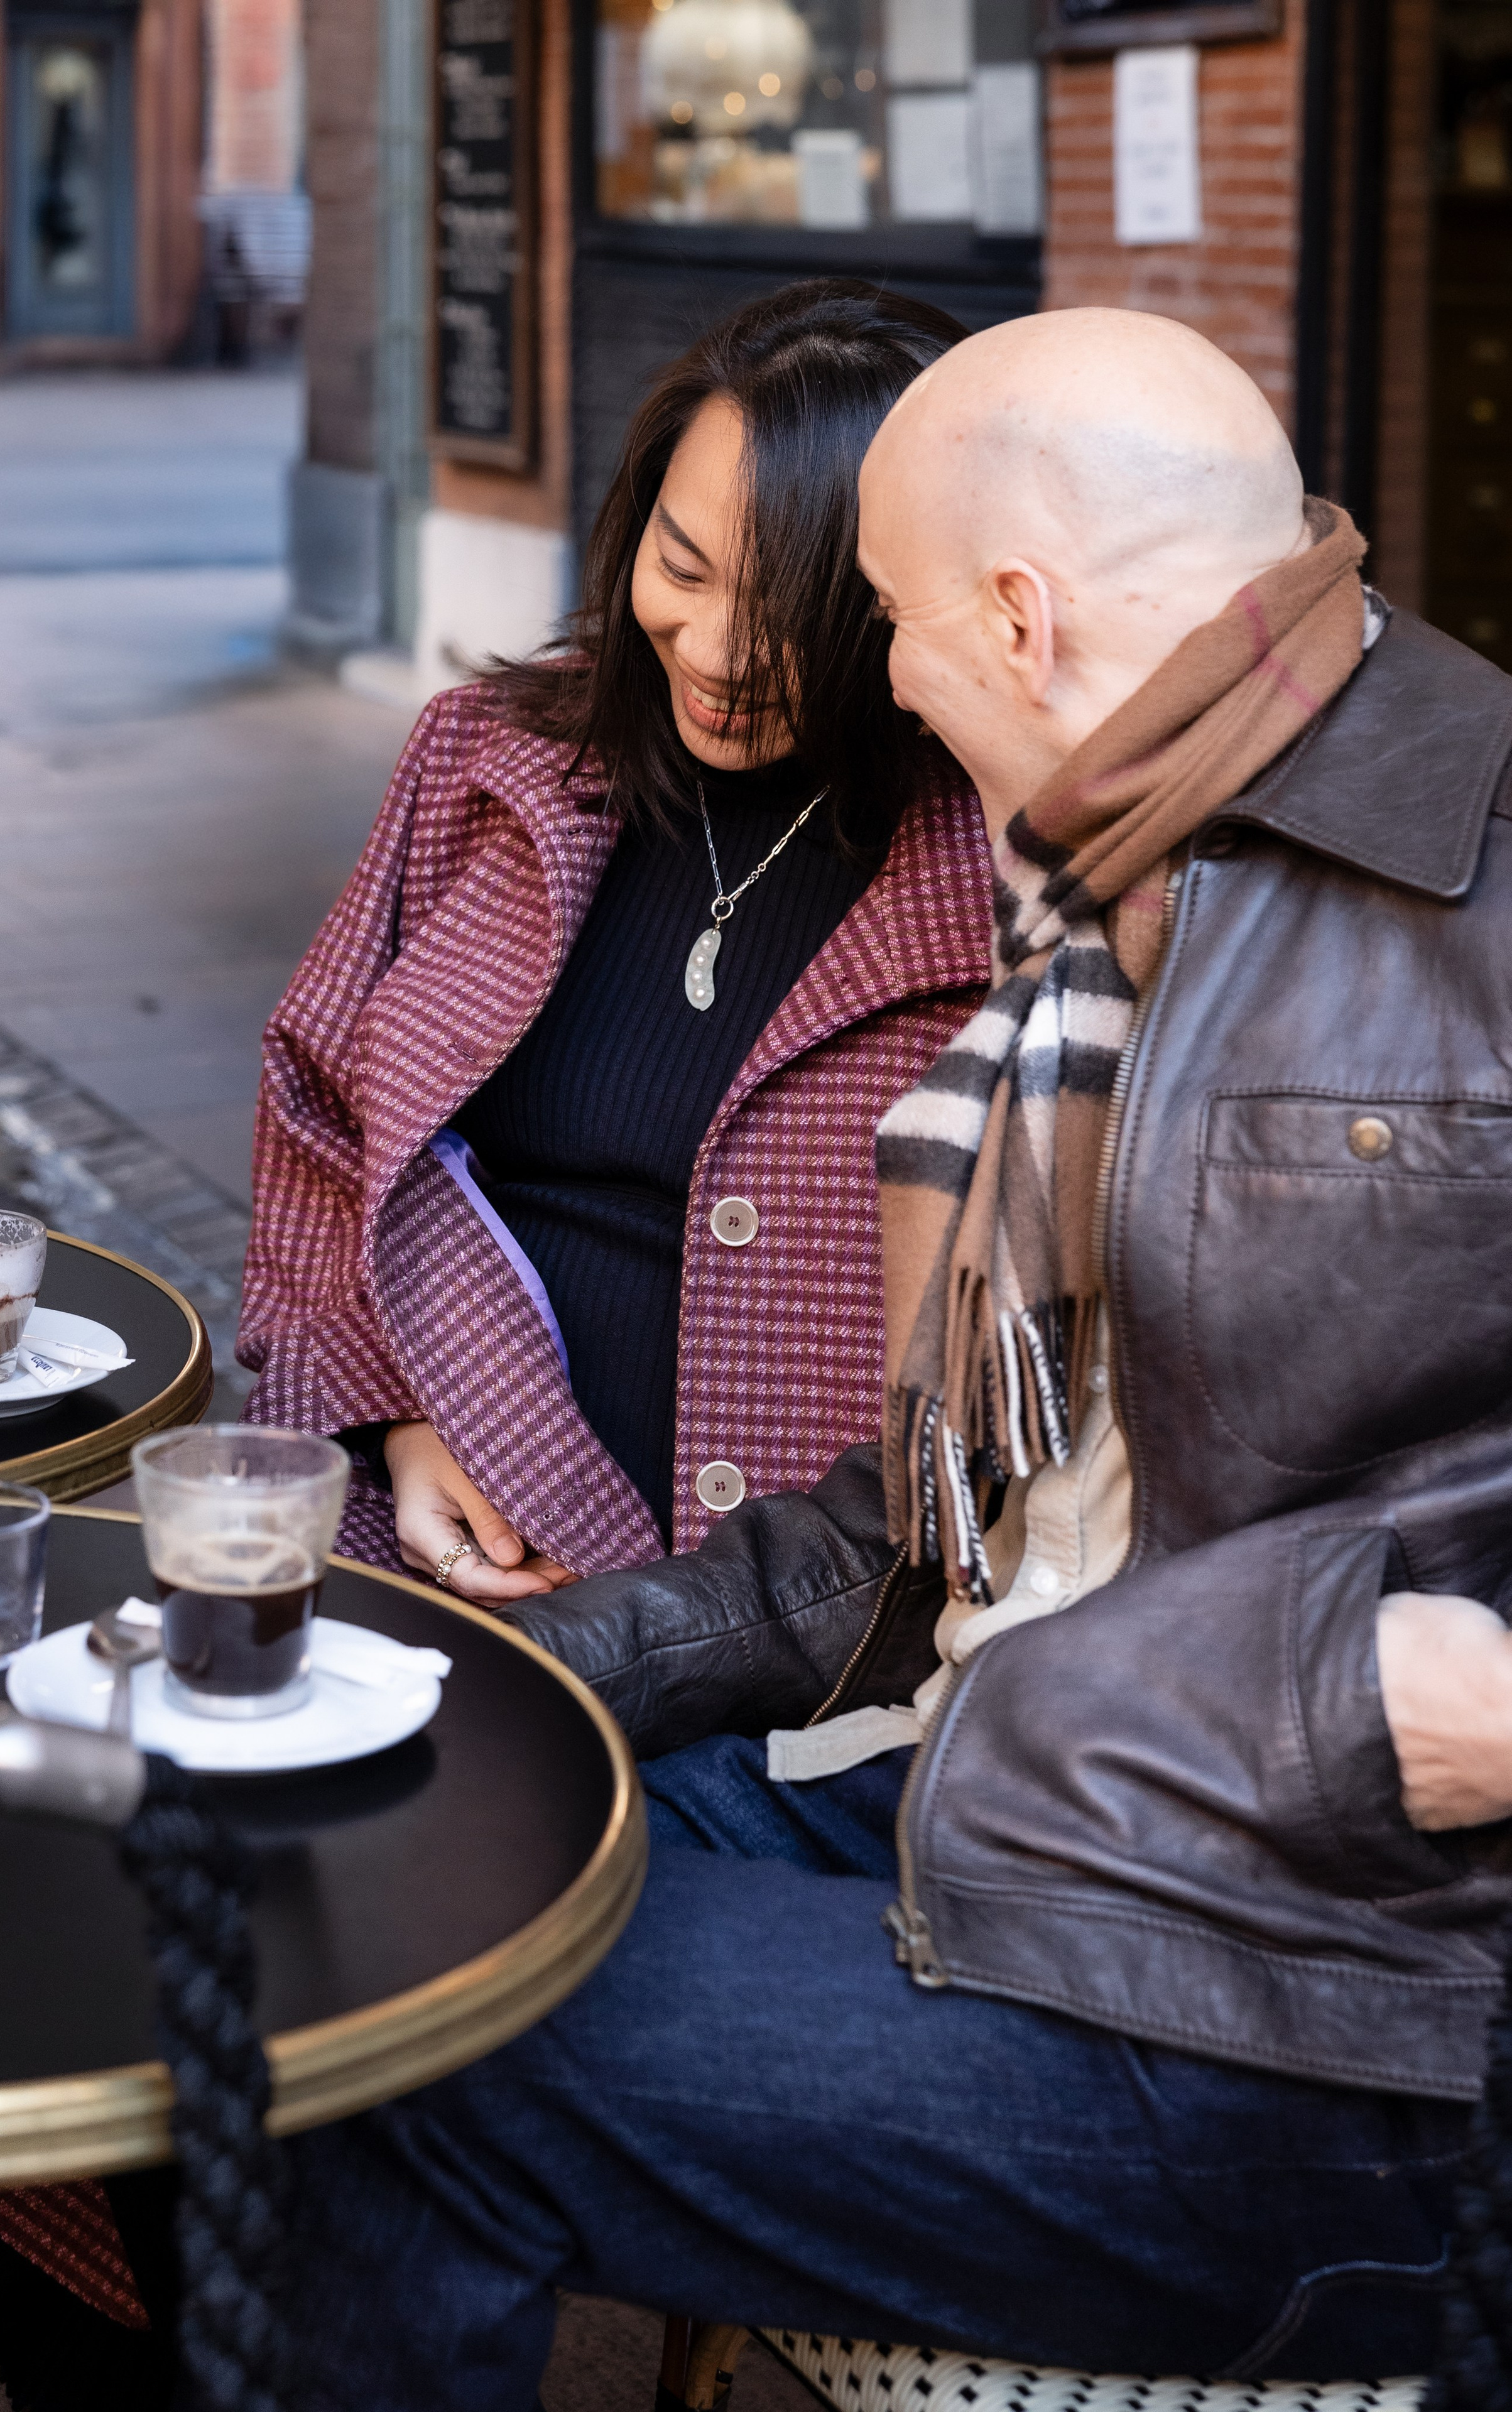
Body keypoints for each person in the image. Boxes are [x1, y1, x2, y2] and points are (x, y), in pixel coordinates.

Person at [268, 305, 1512, 2403]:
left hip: (1300, 2024)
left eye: (887, 617)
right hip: (1011, 1799)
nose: (888, 679)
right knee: (359, 1873)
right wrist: (531, 1672)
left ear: (1017, 621)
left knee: (407, 2042)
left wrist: (1410, 1706)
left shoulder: (1393, 902)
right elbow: (938, 1519)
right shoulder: (1146, 862)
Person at [236, 278, 991, 1607]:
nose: (717, 652)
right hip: (427, 1539)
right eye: (681, 567)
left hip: (785, 1623)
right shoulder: (491, 760)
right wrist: (391, 1417)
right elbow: (318, 1109)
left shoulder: (994, 872)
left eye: (797, 615)